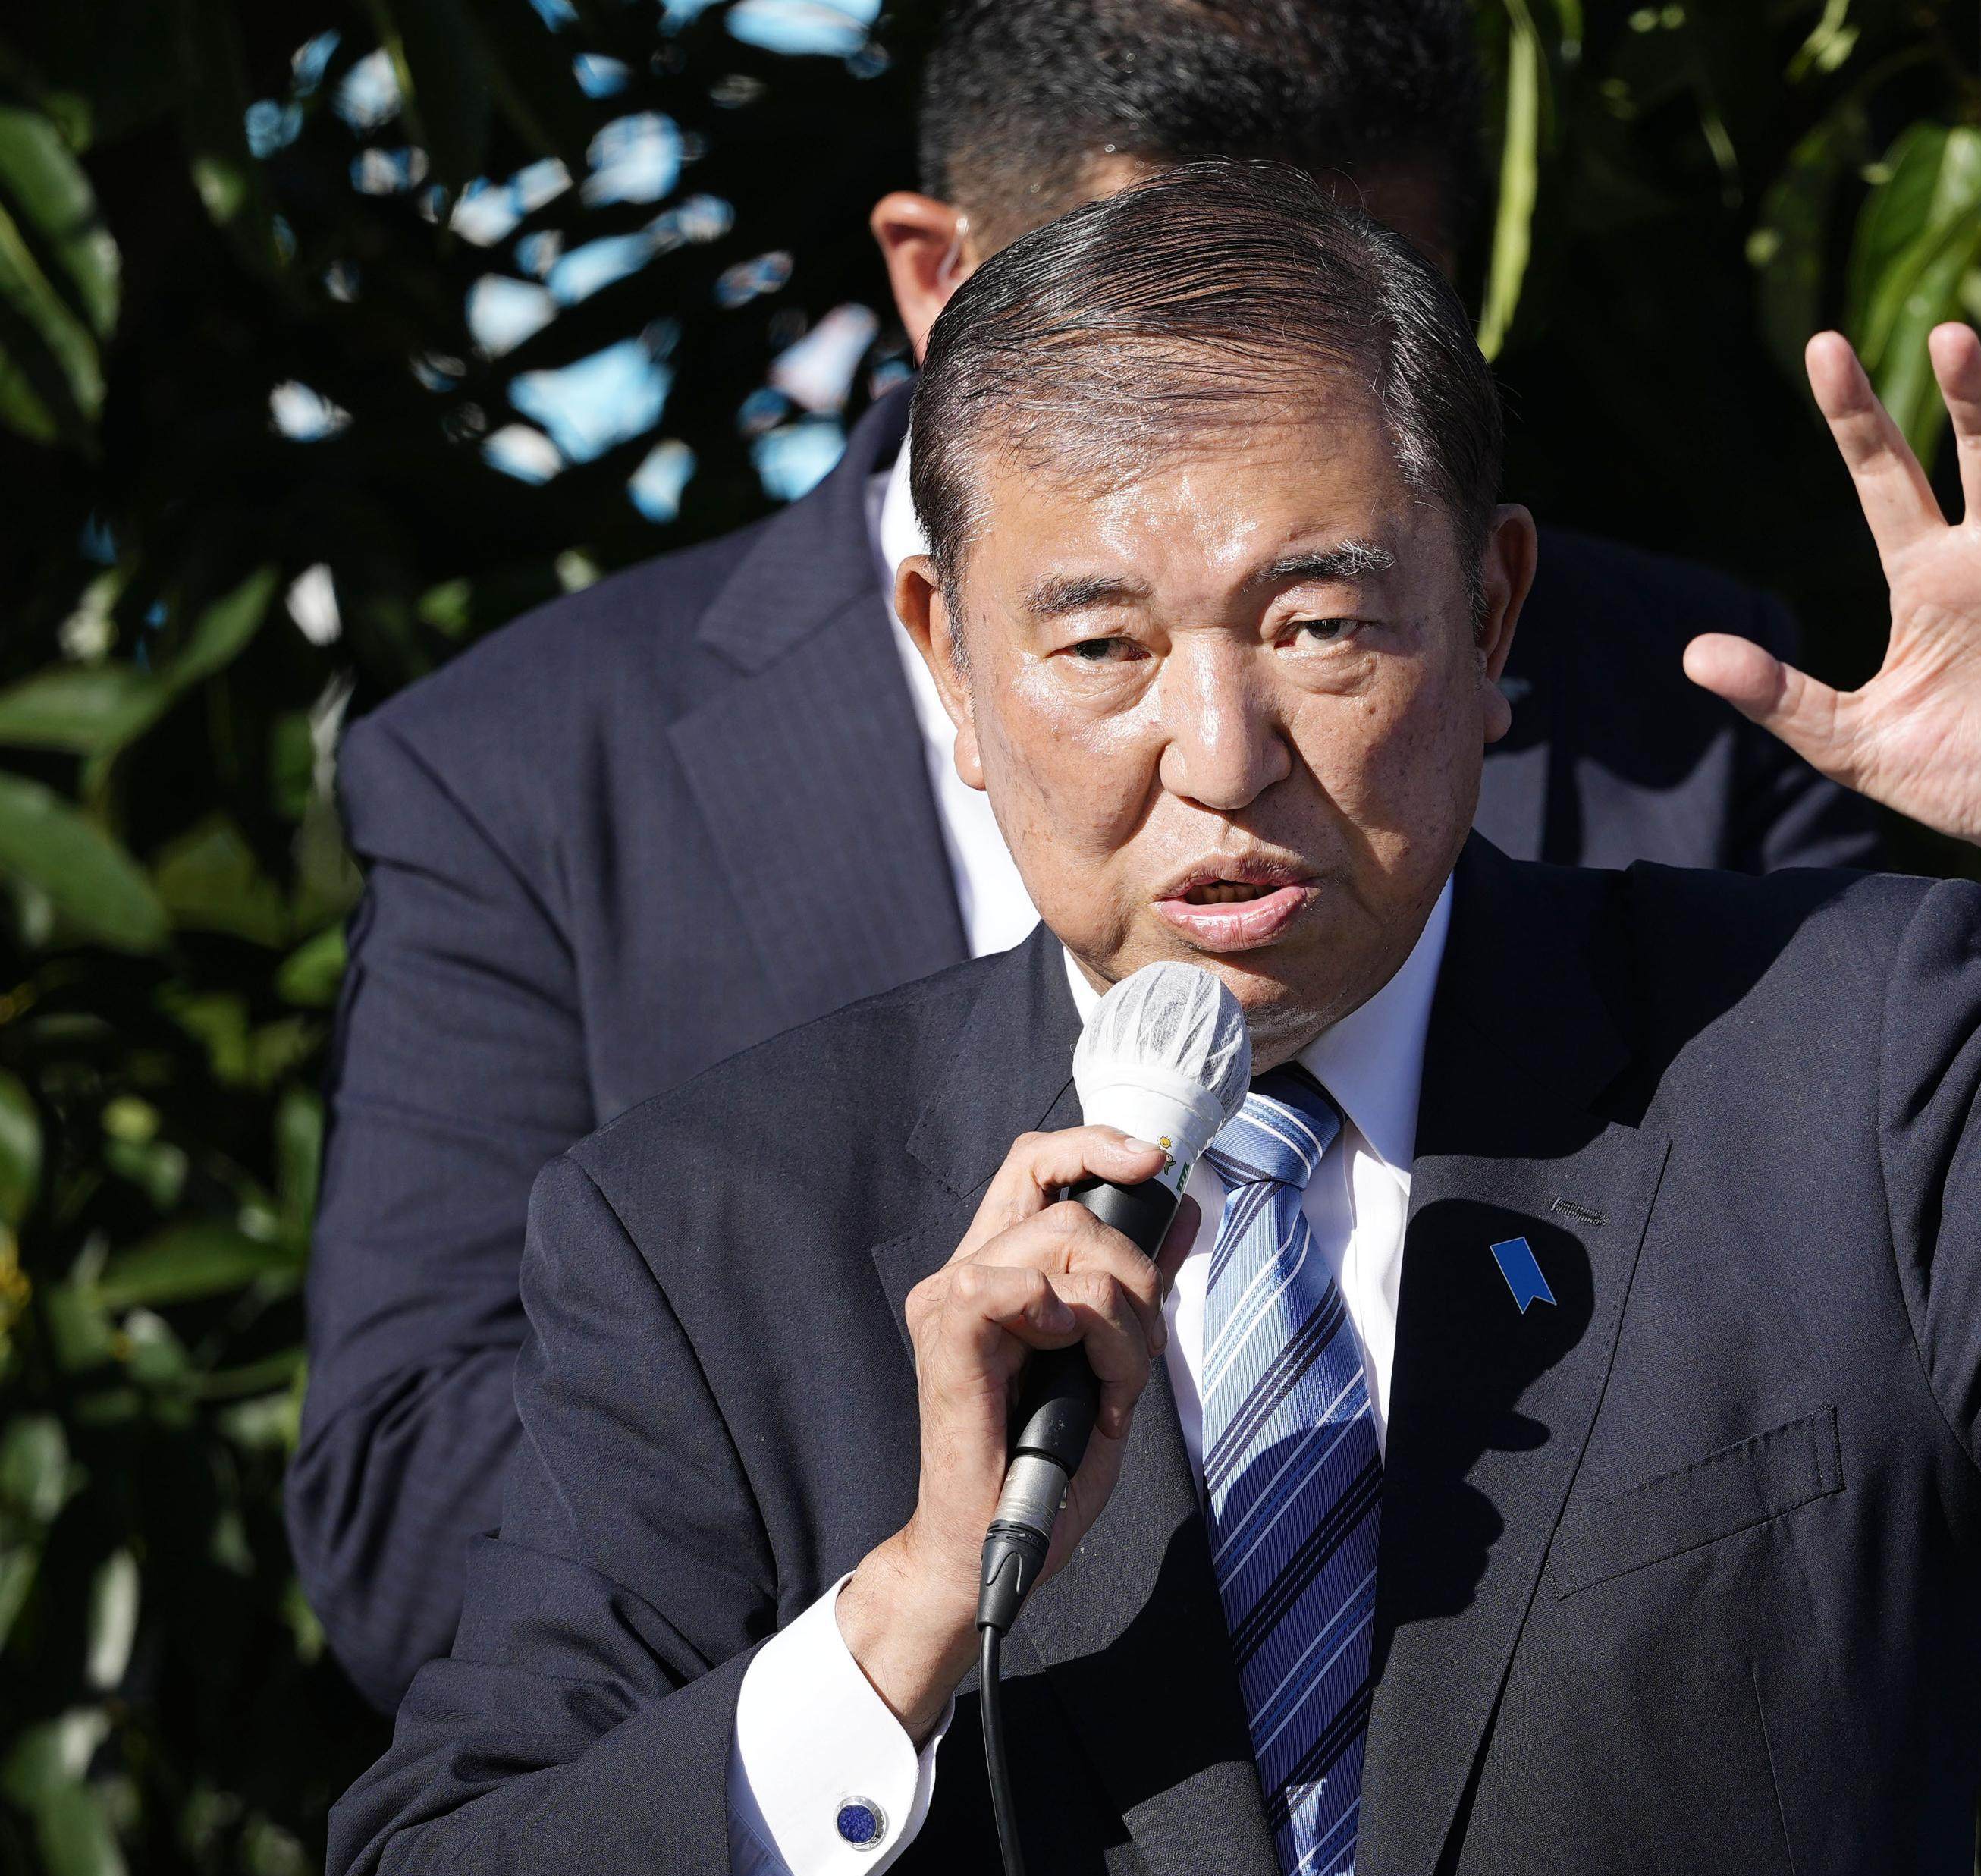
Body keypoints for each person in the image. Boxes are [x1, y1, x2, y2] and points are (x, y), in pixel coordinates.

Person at [313, 164, 1981, 1876]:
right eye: (1096, 640)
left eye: (1318, 621)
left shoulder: (1828, 1046)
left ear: (1486, 614)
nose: (1222, 751)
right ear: (945, 654)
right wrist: (895, 1619)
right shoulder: (721, 1222)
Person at [286, 0, 1875, 1718]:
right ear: (930, 274)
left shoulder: (1696, 703)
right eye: (1159, 300)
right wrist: (960, 1587)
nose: (1226, 747)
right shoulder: (527, 771)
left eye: (1368, 302)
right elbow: (410, 1507)